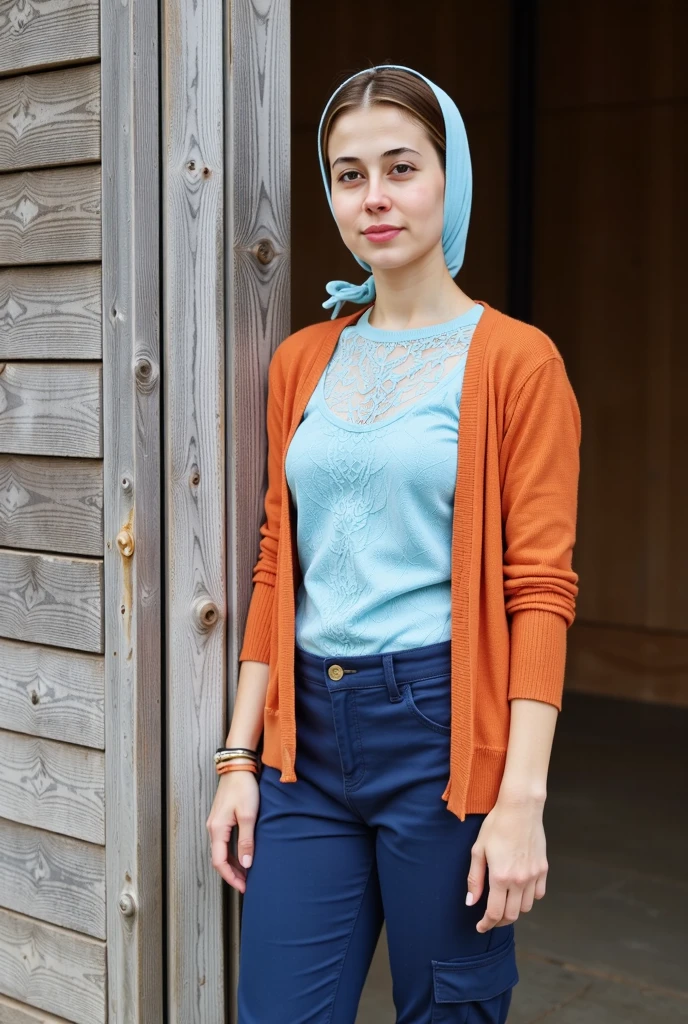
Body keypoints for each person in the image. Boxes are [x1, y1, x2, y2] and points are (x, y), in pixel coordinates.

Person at [207, 63, 581, 1024]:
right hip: (307, 751)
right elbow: (275, 563)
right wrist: (238, 759)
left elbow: (539, 590)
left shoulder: (517, 360)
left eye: (400, 167)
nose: (374, 198)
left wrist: (521, 799)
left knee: (447, 1011)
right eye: (347, 174)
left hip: (441, 738)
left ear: (447, 177)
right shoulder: (304, 358)